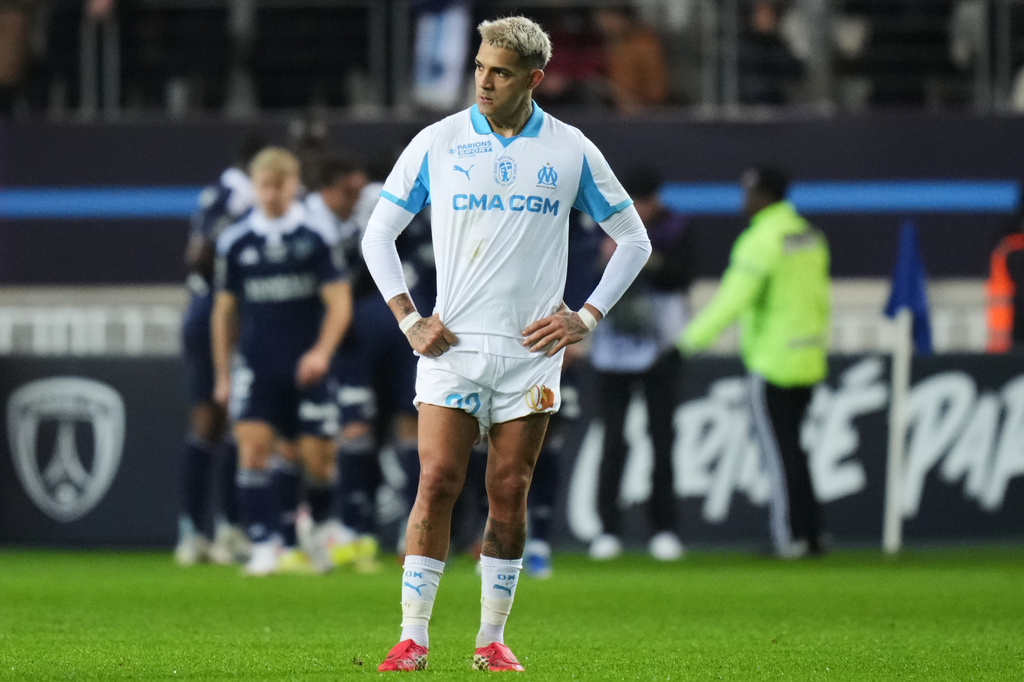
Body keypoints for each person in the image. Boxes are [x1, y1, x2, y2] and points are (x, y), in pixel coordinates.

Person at [362, 15, 652, 673]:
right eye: (479, 68)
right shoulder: (439, 141)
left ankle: (491, 640)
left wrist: (588, 314)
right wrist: (409, 318)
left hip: (531, 352)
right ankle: (413, 636)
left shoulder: (570, 148)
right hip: (452, 347)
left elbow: (636, 239)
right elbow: (377, 234)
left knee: (510, 488)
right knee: (435, 480)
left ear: (534, 79)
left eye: (499, 72)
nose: (484, 82)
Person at [211, 147, 353, 576]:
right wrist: (223, 374)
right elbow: (224, 311)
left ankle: (319, 529)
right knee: (252, 450)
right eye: (265, 185)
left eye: (280, 185)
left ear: (294, 186)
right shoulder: (235, 241)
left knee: (319, 461)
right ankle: (263, 545)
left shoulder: (314, 237)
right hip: (256, 364)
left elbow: (339, 302)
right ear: (254, 187)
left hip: (307, 367)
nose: (272, 193)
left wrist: (322, 352)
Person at [677, 167, 830, 559]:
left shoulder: (760, 240)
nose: (744, 202)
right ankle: (811, 534)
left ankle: (790, 537)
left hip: (774, 361)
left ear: (765, 195)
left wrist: (687, 344)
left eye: (749, 194)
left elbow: (733, 299)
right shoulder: (809, 236)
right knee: (796, 451)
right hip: (809, 357)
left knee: (781, 457)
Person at [588, 166, 693, 562]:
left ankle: (664, 529)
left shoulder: (677, 228)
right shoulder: (600, 226)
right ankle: (607, 530)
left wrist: (645, 259)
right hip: (610, 350)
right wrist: (605, 261)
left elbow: (682, 277)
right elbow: (580, 278)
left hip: (660, 349)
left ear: (655, 200)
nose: (639, 210)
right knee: (613, 440)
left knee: (662, 438)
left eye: (644, 202)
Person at [174, 134, 262, 567]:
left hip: (210, 311)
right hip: (218, 313)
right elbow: (200, 256)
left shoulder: (220, 193)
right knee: (217, 421)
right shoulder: (237, 198)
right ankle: (208, 530)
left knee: (221, 425)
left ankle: (212, 529)